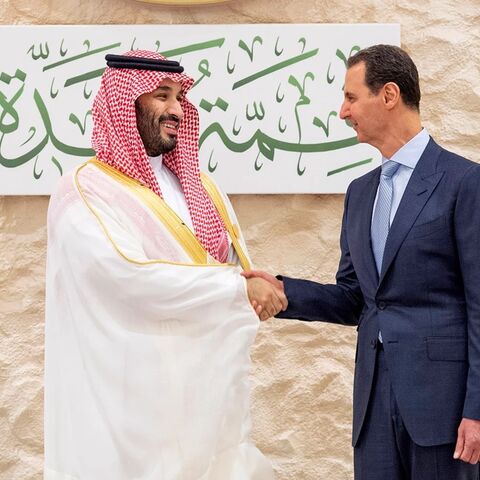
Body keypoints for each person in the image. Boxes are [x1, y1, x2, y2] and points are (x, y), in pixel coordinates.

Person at [44, 50, 286, 480]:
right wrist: (235, 289)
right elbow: (126, 278)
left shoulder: (202, 188)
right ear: (126, 104)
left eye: (179, 97)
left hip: (204, 407)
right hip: (123, 409)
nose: (177, 109)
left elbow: (233, 265)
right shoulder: (84, 192)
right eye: (162, 96)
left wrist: (248, 286)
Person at [245, 44, 480, 479]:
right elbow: (357, 299)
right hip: (374, 411)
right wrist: (283, 290)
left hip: (445, 415)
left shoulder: (465, 183)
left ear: (388, 95)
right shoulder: (360, 193)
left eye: (351, 98)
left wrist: (477, 410)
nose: (342, 112)